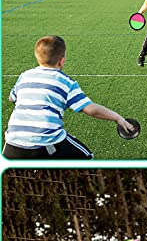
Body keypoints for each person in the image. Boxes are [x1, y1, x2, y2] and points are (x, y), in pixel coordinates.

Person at [3, 35, 134, 159]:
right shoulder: (65, 82)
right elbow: (91, 109)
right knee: (87, 158)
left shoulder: (24, 76)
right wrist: (117, 118)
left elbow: (12, 98)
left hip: (12, 143)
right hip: (46, 142)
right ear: (61, 60)